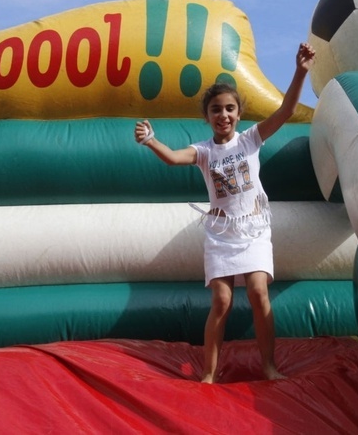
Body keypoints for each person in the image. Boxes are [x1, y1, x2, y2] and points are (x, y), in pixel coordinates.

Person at [134, 42, 315, 383]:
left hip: (253, 228)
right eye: (216, 110)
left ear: (239, 114)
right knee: (221, 301)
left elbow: (286, 111)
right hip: (221, 233)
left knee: (259, 293)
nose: (224, 115)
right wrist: (151, 140)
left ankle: (268, 366)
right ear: (207, 117)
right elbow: (173, 158)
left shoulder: (249, 140)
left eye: (230, 109)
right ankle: (209, 372)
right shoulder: (203, 151)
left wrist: (300, 71)